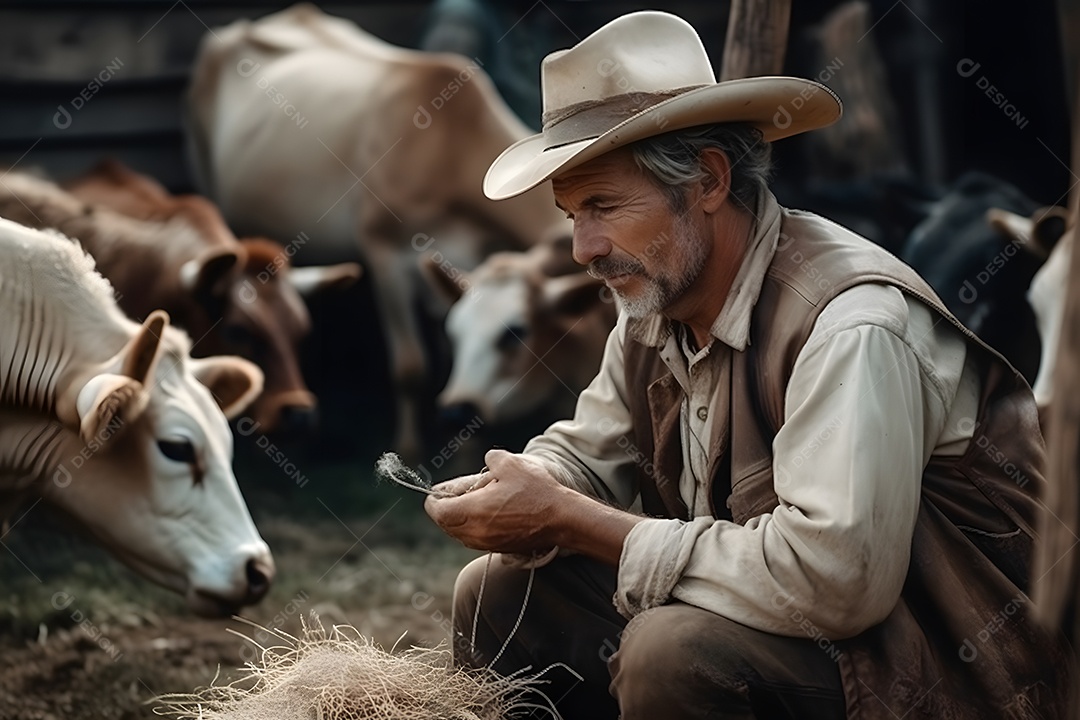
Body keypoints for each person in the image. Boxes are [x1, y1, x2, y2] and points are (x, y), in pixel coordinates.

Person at [424, 10, 1072, 719]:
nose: (584, 247)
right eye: (572, 212)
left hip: (948, 674)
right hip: (810, 639)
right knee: (494, 594)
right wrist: (524, 485)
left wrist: (576, 522)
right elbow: (592, 447)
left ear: (706, 180)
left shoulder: (850, 323)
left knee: (674, 653)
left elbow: (836, 581)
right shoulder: (654, 296)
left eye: (603, 205)